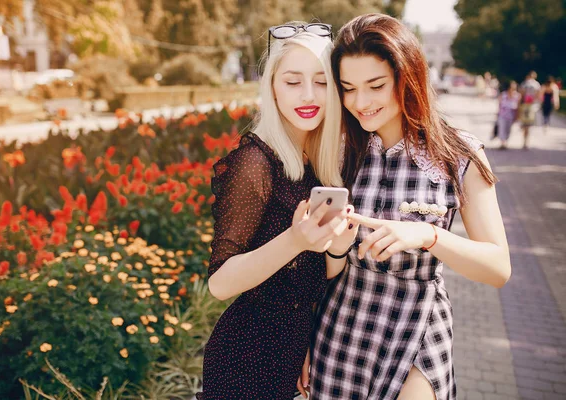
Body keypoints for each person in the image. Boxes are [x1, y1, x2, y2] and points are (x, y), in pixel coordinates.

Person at [303, 14, 511, 400]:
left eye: (376, 85)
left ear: (407, 77)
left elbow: (498, 268)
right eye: (348, 88)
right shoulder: (336, 150)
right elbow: (318, 266)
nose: (360, 103)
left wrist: (428, 235)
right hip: (340, 324)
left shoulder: (459, 154)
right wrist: (302, 338)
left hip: (417, 323)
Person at [198, 22, 354, 400]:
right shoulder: (255, 162)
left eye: (321, 81)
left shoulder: (319, 163)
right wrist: (294, 239)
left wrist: (337, 246)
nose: (308, 94)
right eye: (292, 81)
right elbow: (219, 284)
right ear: (272, 88)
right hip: (244, 360)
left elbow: (319, 276)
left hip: (289, 357)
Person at [519, 71, 541, 149]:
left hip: (525, 105)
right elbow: (538, 95)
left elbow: (521, 94)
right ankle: (526, 141)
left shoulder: (524, 83)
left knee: (524, 124)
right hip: (532, 106)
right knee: (529, 124)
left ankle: (524, 139)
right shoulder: (536, 84)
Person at [496, 81, 521, 149]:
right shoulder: (503, 95)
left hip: (511, 116)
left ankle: (505, 141)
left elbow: (518, 107)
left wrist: (517, 116)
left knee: (508, 130)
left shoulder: (517, 96)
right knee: (502, 129)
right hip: (502, 115)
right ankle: (502, 143)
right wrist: (497, 114)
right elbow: (499, 105)